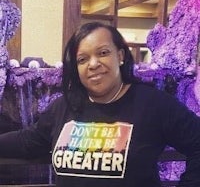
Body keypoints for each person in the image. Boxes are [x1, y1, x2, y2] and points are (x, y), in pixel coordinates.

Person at [0, 21, 200, 187]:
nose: (93, 64)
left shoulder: (153, 104)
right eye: (82, 59)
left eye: (103, 53)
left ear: (120, 55)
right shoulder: (65, 106)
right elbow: (28, 140)